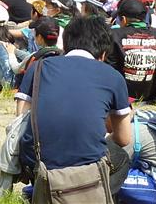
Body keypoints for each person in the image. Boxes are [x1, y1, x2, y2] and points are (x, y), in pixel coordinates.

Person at [15, 15, 132, 197]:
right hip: (87, 166)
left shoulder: (38, 67)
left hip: (37, 161)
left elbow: (20, 118)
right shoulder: (113, 76)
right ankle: (93, 195)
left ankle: (44, 192)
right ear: (102, 54)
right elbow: (124, 138)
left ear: (66, 44)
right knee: (121, 158)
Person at [107, 0, 156, 103]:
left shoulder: (114, 35)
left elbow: (110, 68)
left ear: (124, 19)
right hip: (149, 97)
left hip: (123, 97)